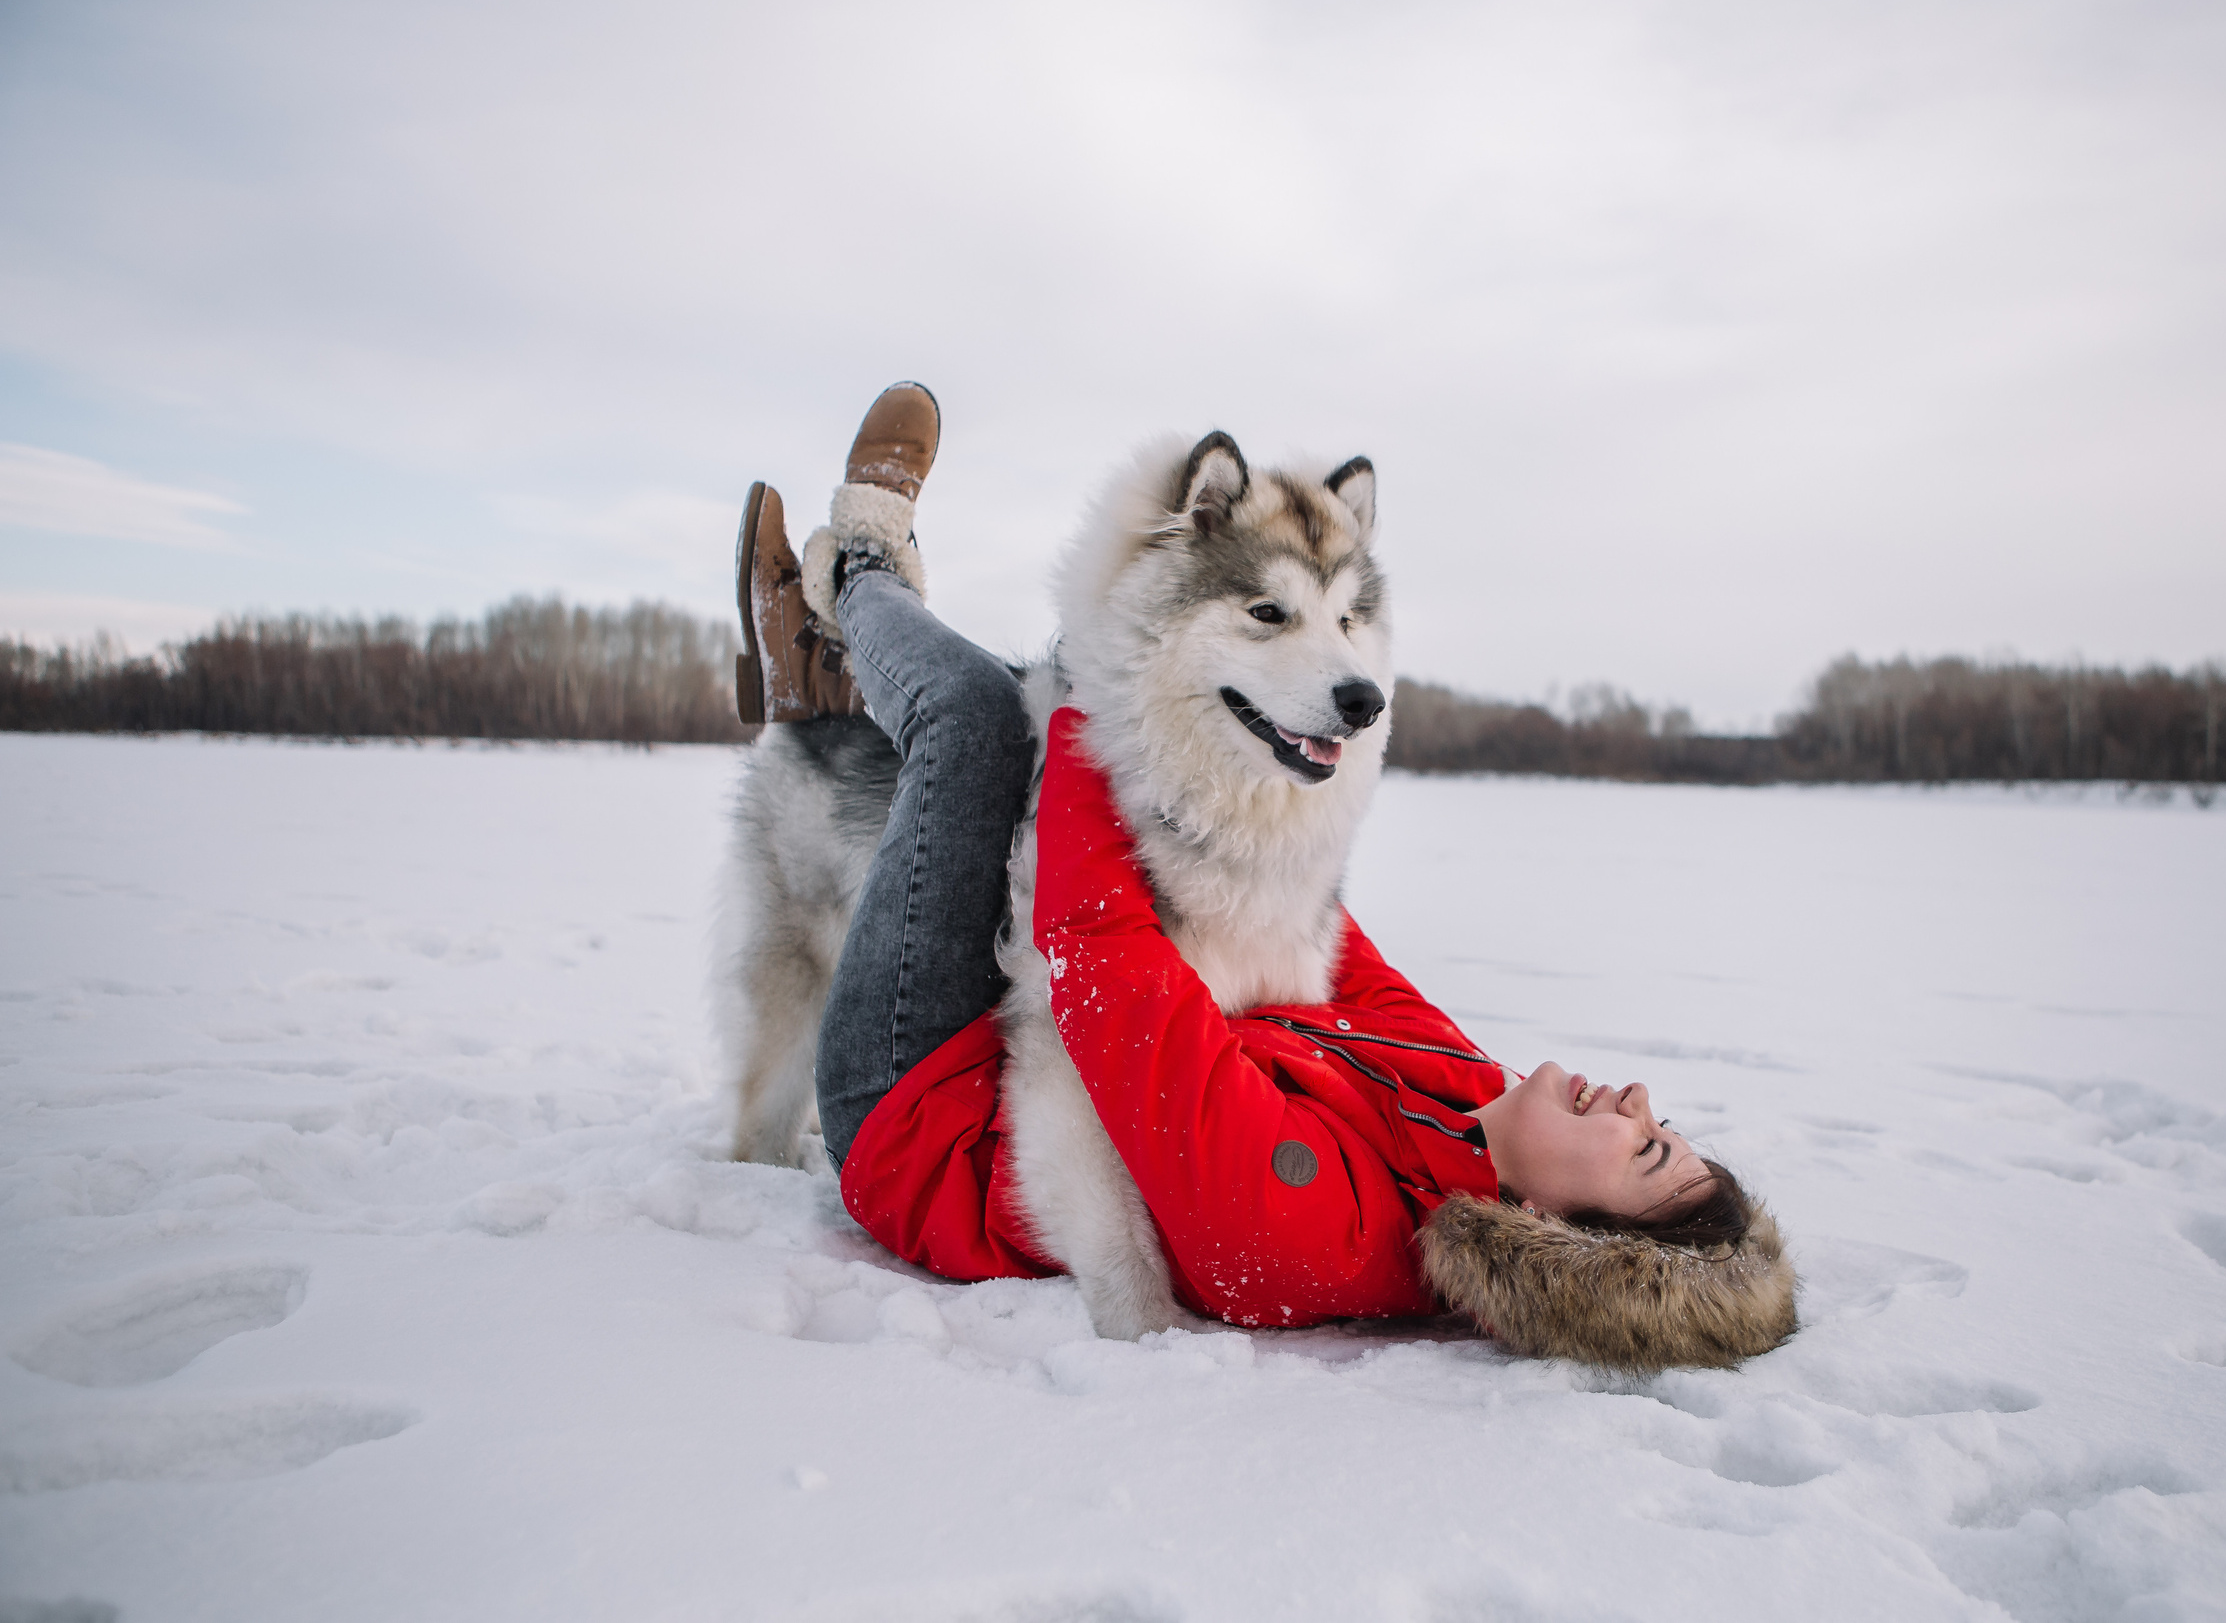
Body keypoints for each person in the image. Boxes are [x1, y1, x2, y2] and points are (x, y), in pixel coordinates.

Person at [734, 384, 1796, 1372]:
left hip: (918, 1118)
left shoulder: (1323, 1230)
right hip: (1003, 1031)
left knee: (973, 724)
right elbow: (1327, 940)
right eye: (1281, 614)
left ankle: (853, 570)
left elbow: (1101, 965)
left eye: (1646, 1150)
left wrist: (1085, 695)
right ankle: (813, 672)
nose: (1641, 1102)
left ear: (1563, 1232)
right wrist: (1263, 809)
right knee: (1036, 735)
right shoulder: (1470, 1094)